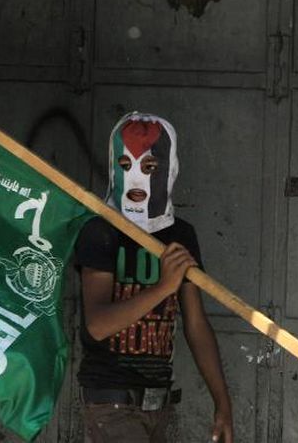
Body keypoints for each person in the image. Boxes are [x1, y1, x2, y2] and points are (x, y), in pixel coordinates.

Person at [74, 112, 233, 442]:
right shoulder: (101, 232)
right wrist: (163, 287)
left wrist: (222, 402)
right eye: (125, 165)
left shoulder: (180, 235)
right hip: (112, 402)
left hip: (159, 404)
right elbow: (98, 324)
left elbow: (195, 324)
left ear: (168, 169)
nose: (136, 178)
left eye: (148, 167)